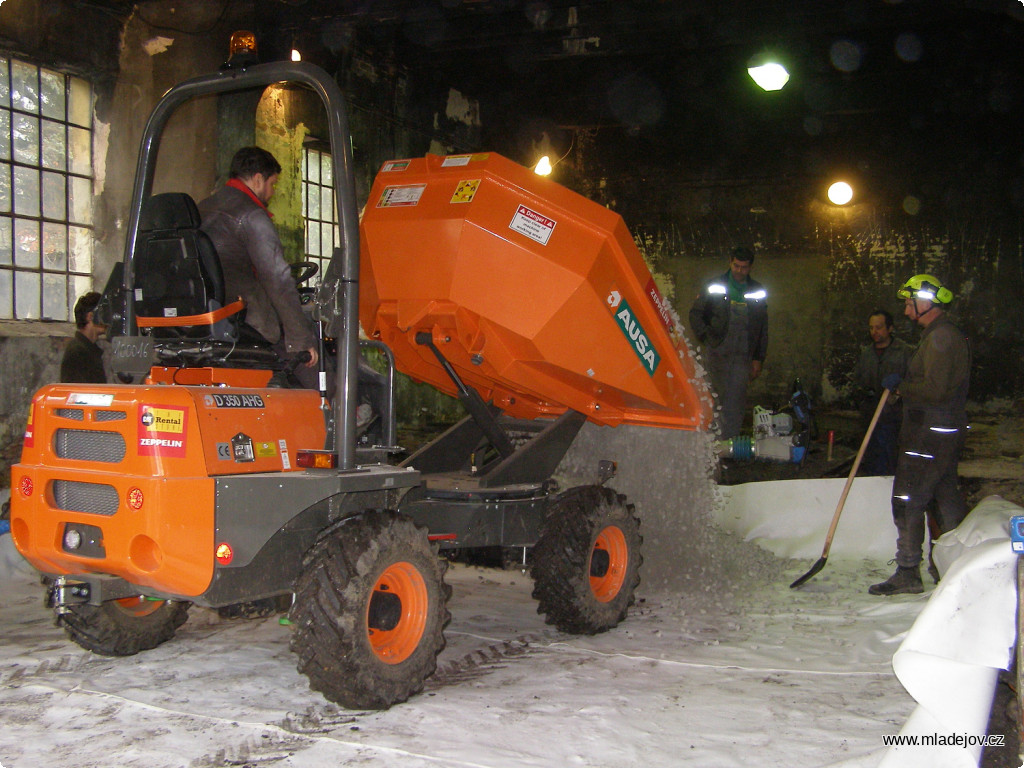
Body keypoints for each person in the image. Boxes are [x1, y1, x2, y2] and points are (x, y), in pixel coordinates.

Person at [869, 274, 970, 596]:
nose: (906, 310)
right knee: (944, 497)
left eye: (909, 303)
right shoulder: (939, 335)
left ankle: (908, 570)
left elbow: (936, 390)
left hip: (929, 431)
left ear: (925, 302)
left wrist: (901, 386)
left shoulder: (942, 339)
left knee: (908, 497)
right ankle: (956, 567)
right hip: (941, 430)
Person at [198, 146, 318, 387]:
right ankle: (336, 412)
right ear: (257, 179)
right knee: (312, 357)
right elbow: (278, 279)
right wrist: (301, 341)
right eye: (272, 184)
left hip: (206, 315)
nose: (272, 192)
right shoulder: (251, 215)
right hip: (244, 319)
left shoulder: (202, 208)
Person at [688, 246, 768, 439]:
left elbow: (763, 327)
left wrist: (758, 359)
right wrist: (707, 337)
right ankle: (708, 442)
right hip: (717, 353)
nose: (739, 271)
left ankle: (728, 445)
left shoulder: (757, 291)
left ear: (750, 268)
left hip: (742, 356)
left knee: (735, 401)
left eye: (744, 268)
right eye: (736, 266)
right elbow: (696, 313)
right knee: (712, 398)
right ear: (730, 263)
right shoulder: (715, 285)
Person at [853, 309, 913, 475]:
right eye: (871, 328)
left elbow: (914, 382)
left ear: (890, 328)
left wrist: (898, 392)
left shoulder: (904, 352)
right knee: (871, 458)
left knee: (891, 459)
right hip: (870, 415)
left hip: (894, 418)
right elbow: (857, 379)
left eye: (879, 327)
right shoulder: (867, 354)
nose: (874, 332)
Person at [60, 291, 108, 383]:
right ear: (90, 317)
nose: (109, 320)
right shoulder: (77, 352)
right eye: (105, 314)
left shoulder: (87, 349)